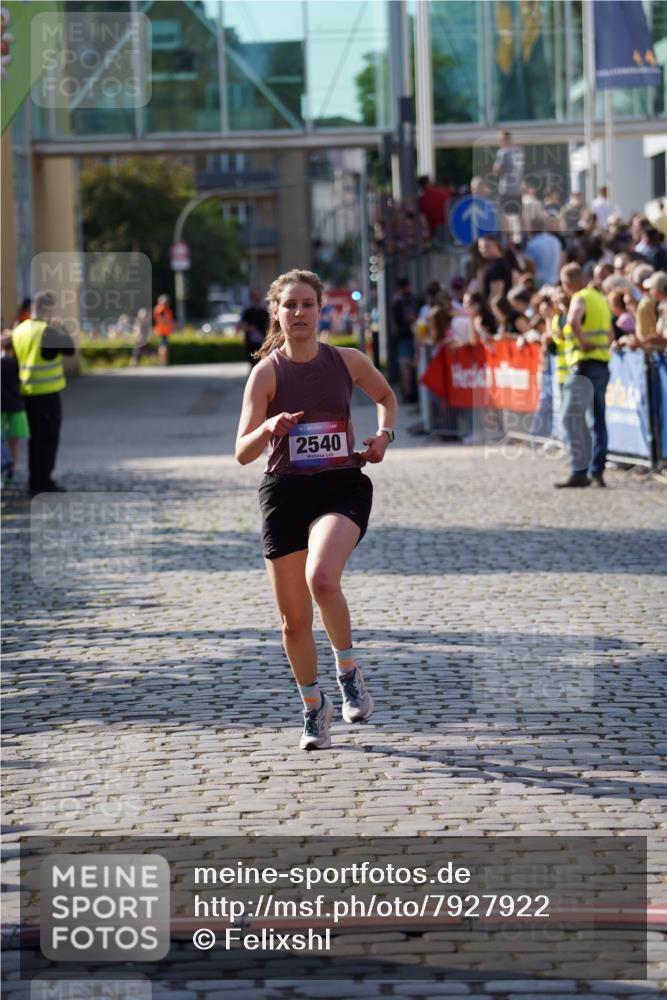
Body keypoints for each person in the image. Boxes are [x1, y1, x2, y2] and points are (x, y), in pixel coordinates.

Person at [235, 269, 397, 751]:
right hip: (285, 491)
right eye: (290, 305)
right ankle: (313, 706)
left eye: (308, 304)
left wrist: (384, 436)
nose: (299, 312)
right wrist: (268, 429)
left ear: (321, 310)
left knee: (322, 577)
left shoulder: (347, 361)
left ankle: (348, 672)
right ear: (276, 312)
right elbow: (242, 452)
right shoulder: (266, 374)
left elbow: (386, 397)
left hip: (340, 486)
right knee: (293, 621)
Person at [11, 292, 75, 496]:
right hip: (47, 394)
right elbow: (70, 350)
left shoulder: (19, 330)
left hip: (25, 393)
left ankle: (34, 480)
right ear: (48, 309)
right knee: (47, 439)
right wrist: (61, 328)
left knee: (34, 439)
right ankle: (42, 482)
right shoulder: (47, 330)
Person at [556, 262, 612, 488]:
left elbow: (572, 321)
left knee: (570, 417)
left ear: (568, 283)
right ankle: (597, 471)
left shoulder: (580, 297)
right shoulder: (600, 299)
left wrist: (583, 342)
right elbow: (610, 333)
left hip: (584, 365)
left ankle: (579, 471)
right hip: (602, 364)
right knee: (598, 420)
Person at [1, 330, 29, 487]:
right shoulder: (18, 361)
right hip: (16, 406)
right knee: (14, 443)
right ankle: (10, 474)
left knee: (7, 442)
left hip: (6, 407)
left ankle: (6, 473)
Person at [492, 130, 524, 236]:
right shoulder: (519, 151)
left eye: (499, 140)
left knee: (504, 214)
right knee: (519, 214)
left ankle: (507, 238)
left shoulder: (502, 152)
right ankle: (524, 237)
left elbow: (496, 170)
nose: (498, 142)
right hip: (517, 188)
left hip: (506, 188)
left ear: (505, 140)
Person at [392, 276, 419, 402]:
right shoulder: (413, 299)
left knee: (404, 365)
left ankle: (407, 393)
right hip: (414, 335)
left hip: (403, 336)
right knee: (415, 363)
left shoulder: (398, 301)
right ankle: (415, 392)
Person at [525, 215, 563, 286]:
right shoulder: (555, 240)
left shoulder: (531, 244)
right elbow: (561, 262)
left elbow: (531, 268)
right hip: (556, 281)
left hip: (540, 284)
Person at [239, 288, 270, 367]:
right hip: (251, 343)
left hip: (263, 343)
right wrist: (250, 328)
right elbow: (242, 325)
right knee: (253, 363)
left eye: (258, 296)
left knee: (263, 363)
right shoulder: (247, 312)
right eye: (255, 296)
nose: (257, 298)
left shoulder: (265, 312)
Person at [153, 294, 174, 366]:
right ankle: (163, 362)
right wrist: (169, 323)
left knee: (163, 346)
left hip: (164, 331)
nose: (167, 302)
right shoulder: (161, 309)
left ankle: (162, 362)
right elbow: (162, 320)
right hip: (162, 331)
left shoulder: (164, 309)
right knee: (163, 347)